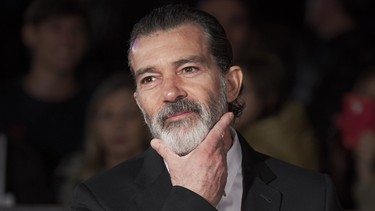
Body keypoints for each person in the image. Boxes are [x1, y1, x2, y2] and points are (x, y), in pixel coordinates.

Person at [71, 4, 343, 210]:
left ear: (232, 84)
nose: (170, 92)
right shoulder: (100, 201)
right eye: (150, 79)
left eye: (188, 69)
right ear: (139, 101)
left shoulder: (313, 195)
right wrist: (192, 200)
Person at [0, 0, 91, 204]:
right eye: (55, 28)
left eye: (76, 30)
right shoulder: (5, 104)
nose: (67, 40)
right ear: (30, 34)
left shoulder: (99, 107)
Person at [58, 72, 151, 205]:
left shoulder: (166, 176)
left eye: (129, 115)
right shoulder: (74, 179)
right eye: (107, 116)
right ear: (94, 123)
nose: (119, 125)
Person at [234, 49, 320, 171]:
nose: (231, 97)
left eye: (242, 90)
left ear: (267, 95)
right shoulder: (294, 127)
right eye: (228, 87)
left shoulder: (259, 149)